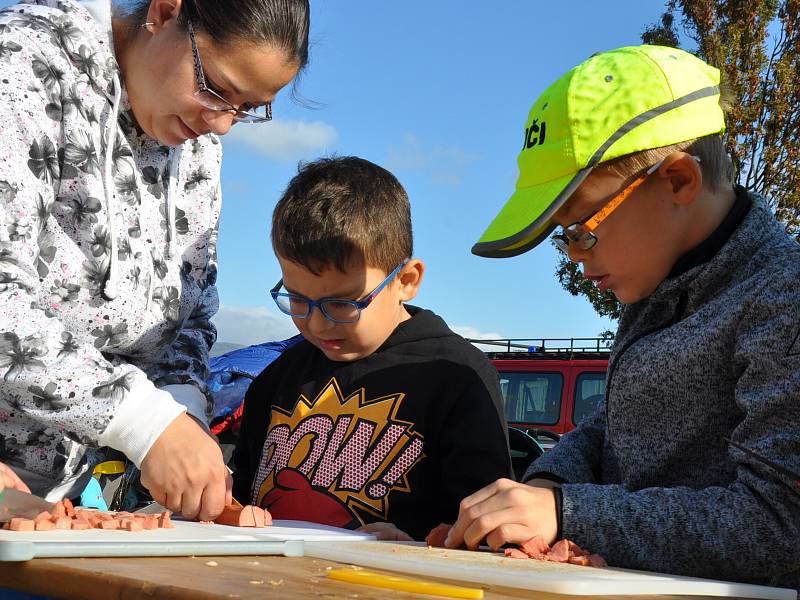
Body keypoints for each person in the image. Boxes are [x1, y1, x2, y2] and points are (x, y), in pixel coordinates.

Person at [448, 45, 800, 589]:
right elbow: (618, 425)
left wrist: (570, 513)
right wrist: (543, 488)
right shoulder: (658, 291)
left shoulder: (784, 298)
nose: (574, 254)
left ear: (679, 180)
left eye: (581, 227)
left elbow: (779, 524)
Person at [0, 0, 309, 521]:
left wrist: (183, 416)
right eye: (215, 86)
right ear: (165, 13)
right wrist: (145, 422)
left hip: (56, 499)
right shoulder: (24, 63)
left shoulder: (197, 141)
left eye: (247, 107)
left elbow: (189, 313)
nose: (223, 124)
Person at [232, 156, 513, 541]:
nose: (317, 323)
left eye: (343, 304)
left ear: (407, 280)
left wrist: (416, 544)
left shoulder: (457, 377)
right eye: (298, 300)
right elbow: (241, 500)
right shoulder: (275, 380)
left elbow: (484, 526)